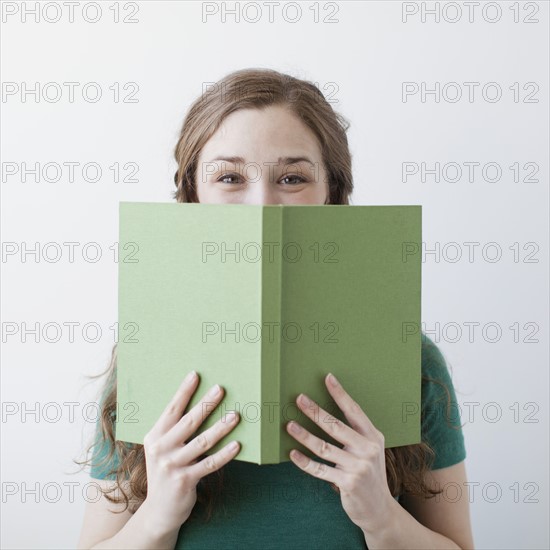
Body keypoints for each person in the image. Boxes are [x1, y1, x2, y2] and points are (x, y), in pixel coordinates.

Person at [76, 68, 474, 549]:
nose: (261, 205)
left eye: (292, 177)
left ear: (332, 194)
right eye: (229, 177)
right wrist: (159, 515)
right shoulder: (147, 357)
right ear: (192, 196)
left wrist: (382, 517)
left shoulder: (414, 361)